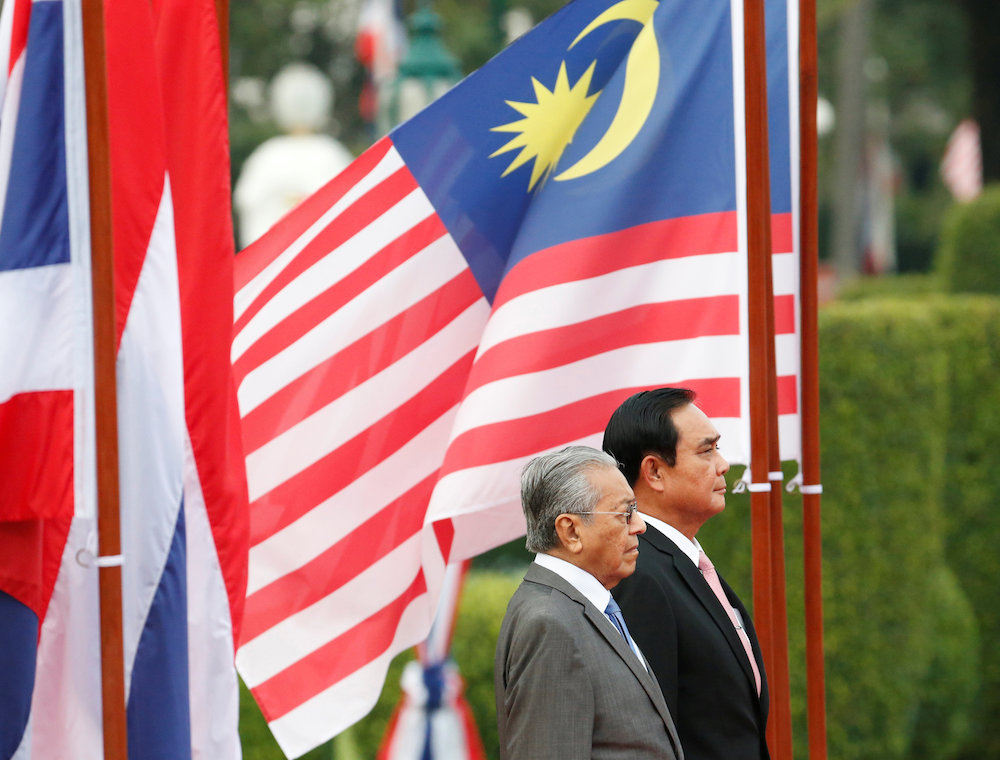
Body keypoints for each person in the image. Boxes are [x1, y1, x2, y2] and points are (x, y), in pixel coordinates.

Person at [604, 388, 769, 760]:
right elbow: (646, 734)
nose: (723, 465)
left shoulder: (682, 562)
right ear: (654, 472)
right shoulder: (638, 574)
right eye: (706, 451)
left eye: (717, 448)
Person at [494, 445, 683, 760]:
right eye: (624, 513)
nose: (640, 525)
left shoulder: (582, 606)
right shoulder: (550, 624)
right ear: (570, 531)